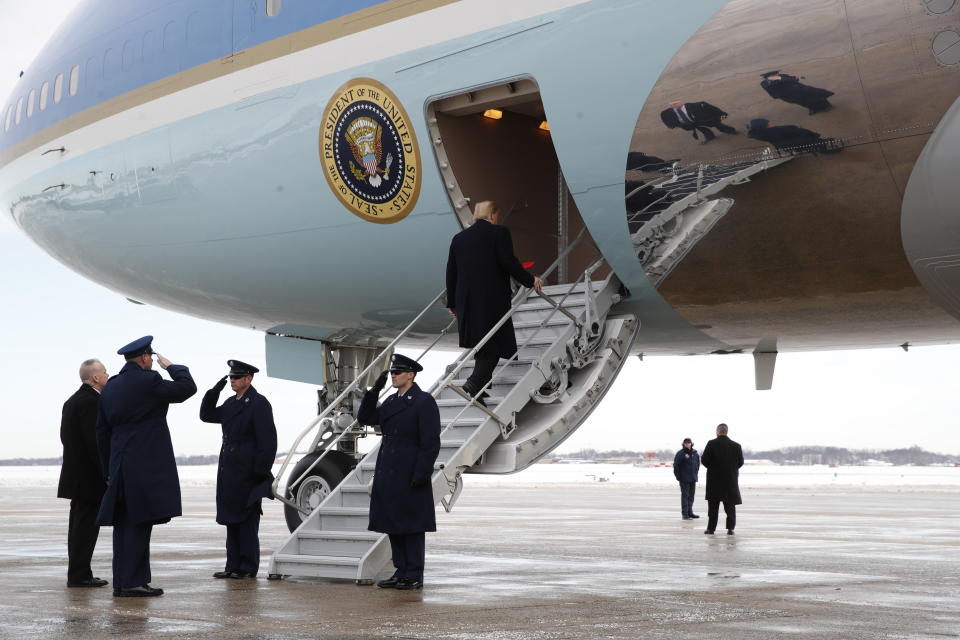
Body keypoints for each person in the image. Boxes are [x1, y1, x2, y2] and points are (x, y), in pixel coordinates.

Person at [96, 336, 196, 597]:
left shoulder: (111, 387)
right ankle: (132, 583)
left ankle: (125, 581)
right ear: (143, 358)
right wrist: (173, 367)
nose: (152, 360)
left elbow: (101, 432)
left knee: (125, 524)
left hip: (120, 464)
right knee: (139, 524)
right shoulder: (148, 381)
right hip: (145, 464)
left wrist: (108, 469)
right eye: (151, 357)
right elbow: (187, 389)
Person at [445, 200, 543, 405]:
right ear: (492, 215)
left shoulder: (459, 238)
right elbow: (508, 261)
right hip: (491, 298)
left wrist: (453, 303)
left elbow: (451, 272)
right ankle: (473, 383)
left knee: (482, 343)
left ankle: (479, 391)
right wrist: (529, 280)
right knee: (495, 342)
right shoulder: (499, 233)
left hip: (466, 300)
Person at [358, 353, 441, 590]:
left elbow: (430, 442)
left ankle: (413, 573)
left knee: (411, 526)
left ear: (411, 375)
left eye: (397, 372)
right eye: (392, 373)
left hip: (410, 472)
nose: (393, 376)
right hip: (389, 472)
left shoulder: (423, 401)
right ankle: (400, 570)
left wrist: (421, 473)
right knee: (394, 524)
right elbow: (364, 417)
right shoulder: (392, 402)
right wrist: (375, 390)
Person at [199, 360, 278, 580]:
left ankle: (247, 567)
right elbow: (206, 415)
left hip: (248, 470)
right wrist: (214, 392)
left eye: (237, 377)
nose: (232, 380)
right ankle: (232, 565)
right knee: (231, 520)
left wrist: (259, 471)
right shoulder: (230, 403)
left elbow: (268, 442)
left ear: (248, 379)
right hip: (229, 468)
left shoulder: (259, 403)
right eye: (231, 377)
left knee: (246, 521)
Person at [57, 359, 110, 588]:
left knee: (78, 528)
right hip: (89, 479)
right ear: (96, 378)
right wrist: (106, 471)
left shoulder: (73, 401)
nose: (108, 376)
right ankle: (80, 575)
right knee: (85, 530)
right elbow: (95, 442)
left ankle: (79, 573)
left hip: (77, 477)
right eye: (105, 373)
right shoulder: (91, 402)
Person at [700, 423, 744, 535]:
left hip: (714, 480)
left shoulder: (711, 444)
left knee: (713, 507)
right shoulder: (736, 446)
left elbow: (704, 460)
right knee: (730, 507)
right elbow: (740, 462)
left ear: (717, 431)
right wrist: (731, 470)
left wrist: (713, 468)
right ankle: (730, 529)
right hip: (730, 480)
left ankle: (711, 529)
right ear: (727, 431)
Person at [747, 118, 842, 155]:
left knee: (807, 140)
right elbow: (799, 131)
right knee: (813, 140)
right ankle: (824, 149)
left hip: (782, 145)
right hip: (796, 141)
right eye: (768, 124)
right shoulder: (780, 130)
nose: (770, 124)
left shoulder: (759, 134)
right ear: (765, 126)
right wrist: (814, 134)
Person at [660, 100, 738, 144]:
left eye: (675, 103)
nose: (674, 105)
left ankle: (731, 130)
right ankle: (710, 136)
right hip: (692, 123)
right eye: (673, 104)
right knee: (703, 130)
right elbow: (668, 120)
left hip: (704, 119)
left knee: (717, 124)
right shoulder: (670, 112)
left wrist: (722, 114)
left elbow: (710, 108)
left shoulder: (695, 106)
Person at [760, 71, 834, 114]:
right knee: (810, 100)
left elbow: (795, 79)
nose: (778, 74)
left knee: (813, 98)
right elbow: (792, 80)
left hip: (798, 92)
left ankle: (823, 107)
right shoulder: (769, 83)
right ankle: (822, 107)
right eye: (776, 74)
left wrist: (780, 78)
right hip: (795, 93)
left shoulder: (779, 77)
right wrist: (779, 79)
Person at [672, 437, 700, 520]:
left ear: (691, 443)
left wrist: (695, 473)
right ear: (683, 444)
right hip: (684, 478)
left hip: (693, 478)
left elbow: (697, 465)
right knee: (685, 496)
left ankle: (690, 512)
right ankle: (685, 514)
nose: (687, 444)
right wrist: (678, 476)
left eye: (689, 443)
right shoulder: (681, 453)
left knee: (691, 496)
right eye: (686, 443)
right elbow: (676, 465)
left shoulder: (695, 453)